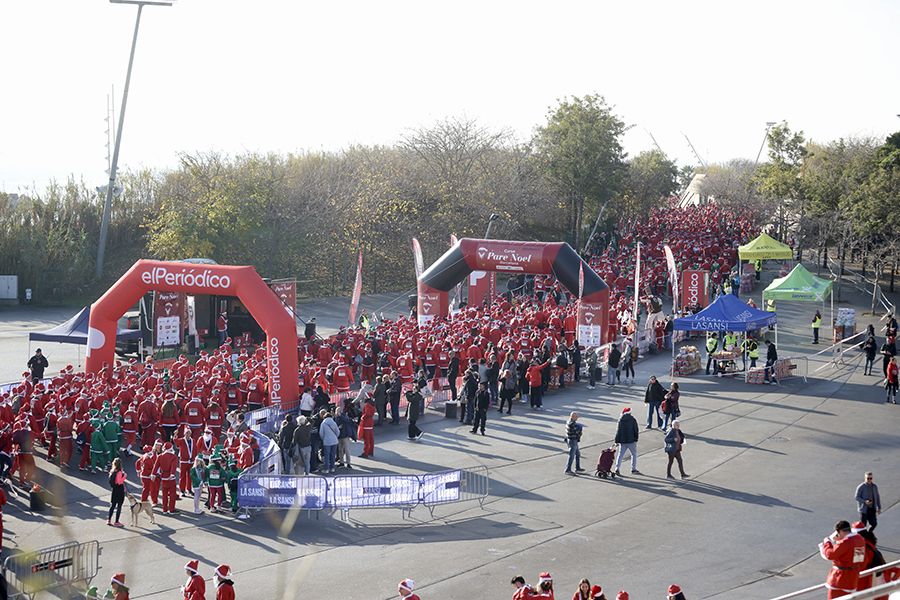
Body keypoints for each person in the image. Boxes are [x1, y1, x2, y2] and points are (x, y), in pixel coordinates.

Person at [818, 520, 866, 599]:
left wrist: (827, 542)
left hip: (840, 578)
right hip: (852, 577)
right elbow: (858, 558)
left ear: (839, 531)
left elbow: (830, 554)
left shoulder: (845, 542)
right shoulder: (859, 539)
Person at [613, 407, 640, 476]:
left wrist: (616, 441)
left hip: (623, 441)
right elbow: (636, 430)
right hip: (631, 440)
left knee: (620, 455)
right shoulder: (633, 420)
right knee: (634, 454)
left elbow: (618, 431)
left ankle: (617, 468)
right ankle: (633, 469)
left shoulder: (621, 420)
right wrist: (636, 438)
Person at [107, 457, 126, 527]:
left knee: (112, 505)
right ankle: (116, 521)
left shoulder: (112, 471)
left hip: (114, 490)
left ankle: (109, 519)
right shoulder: (119, 472)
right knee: (119, 506)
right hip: (119, 490)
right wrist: (125, 476)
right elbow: (119, 481)